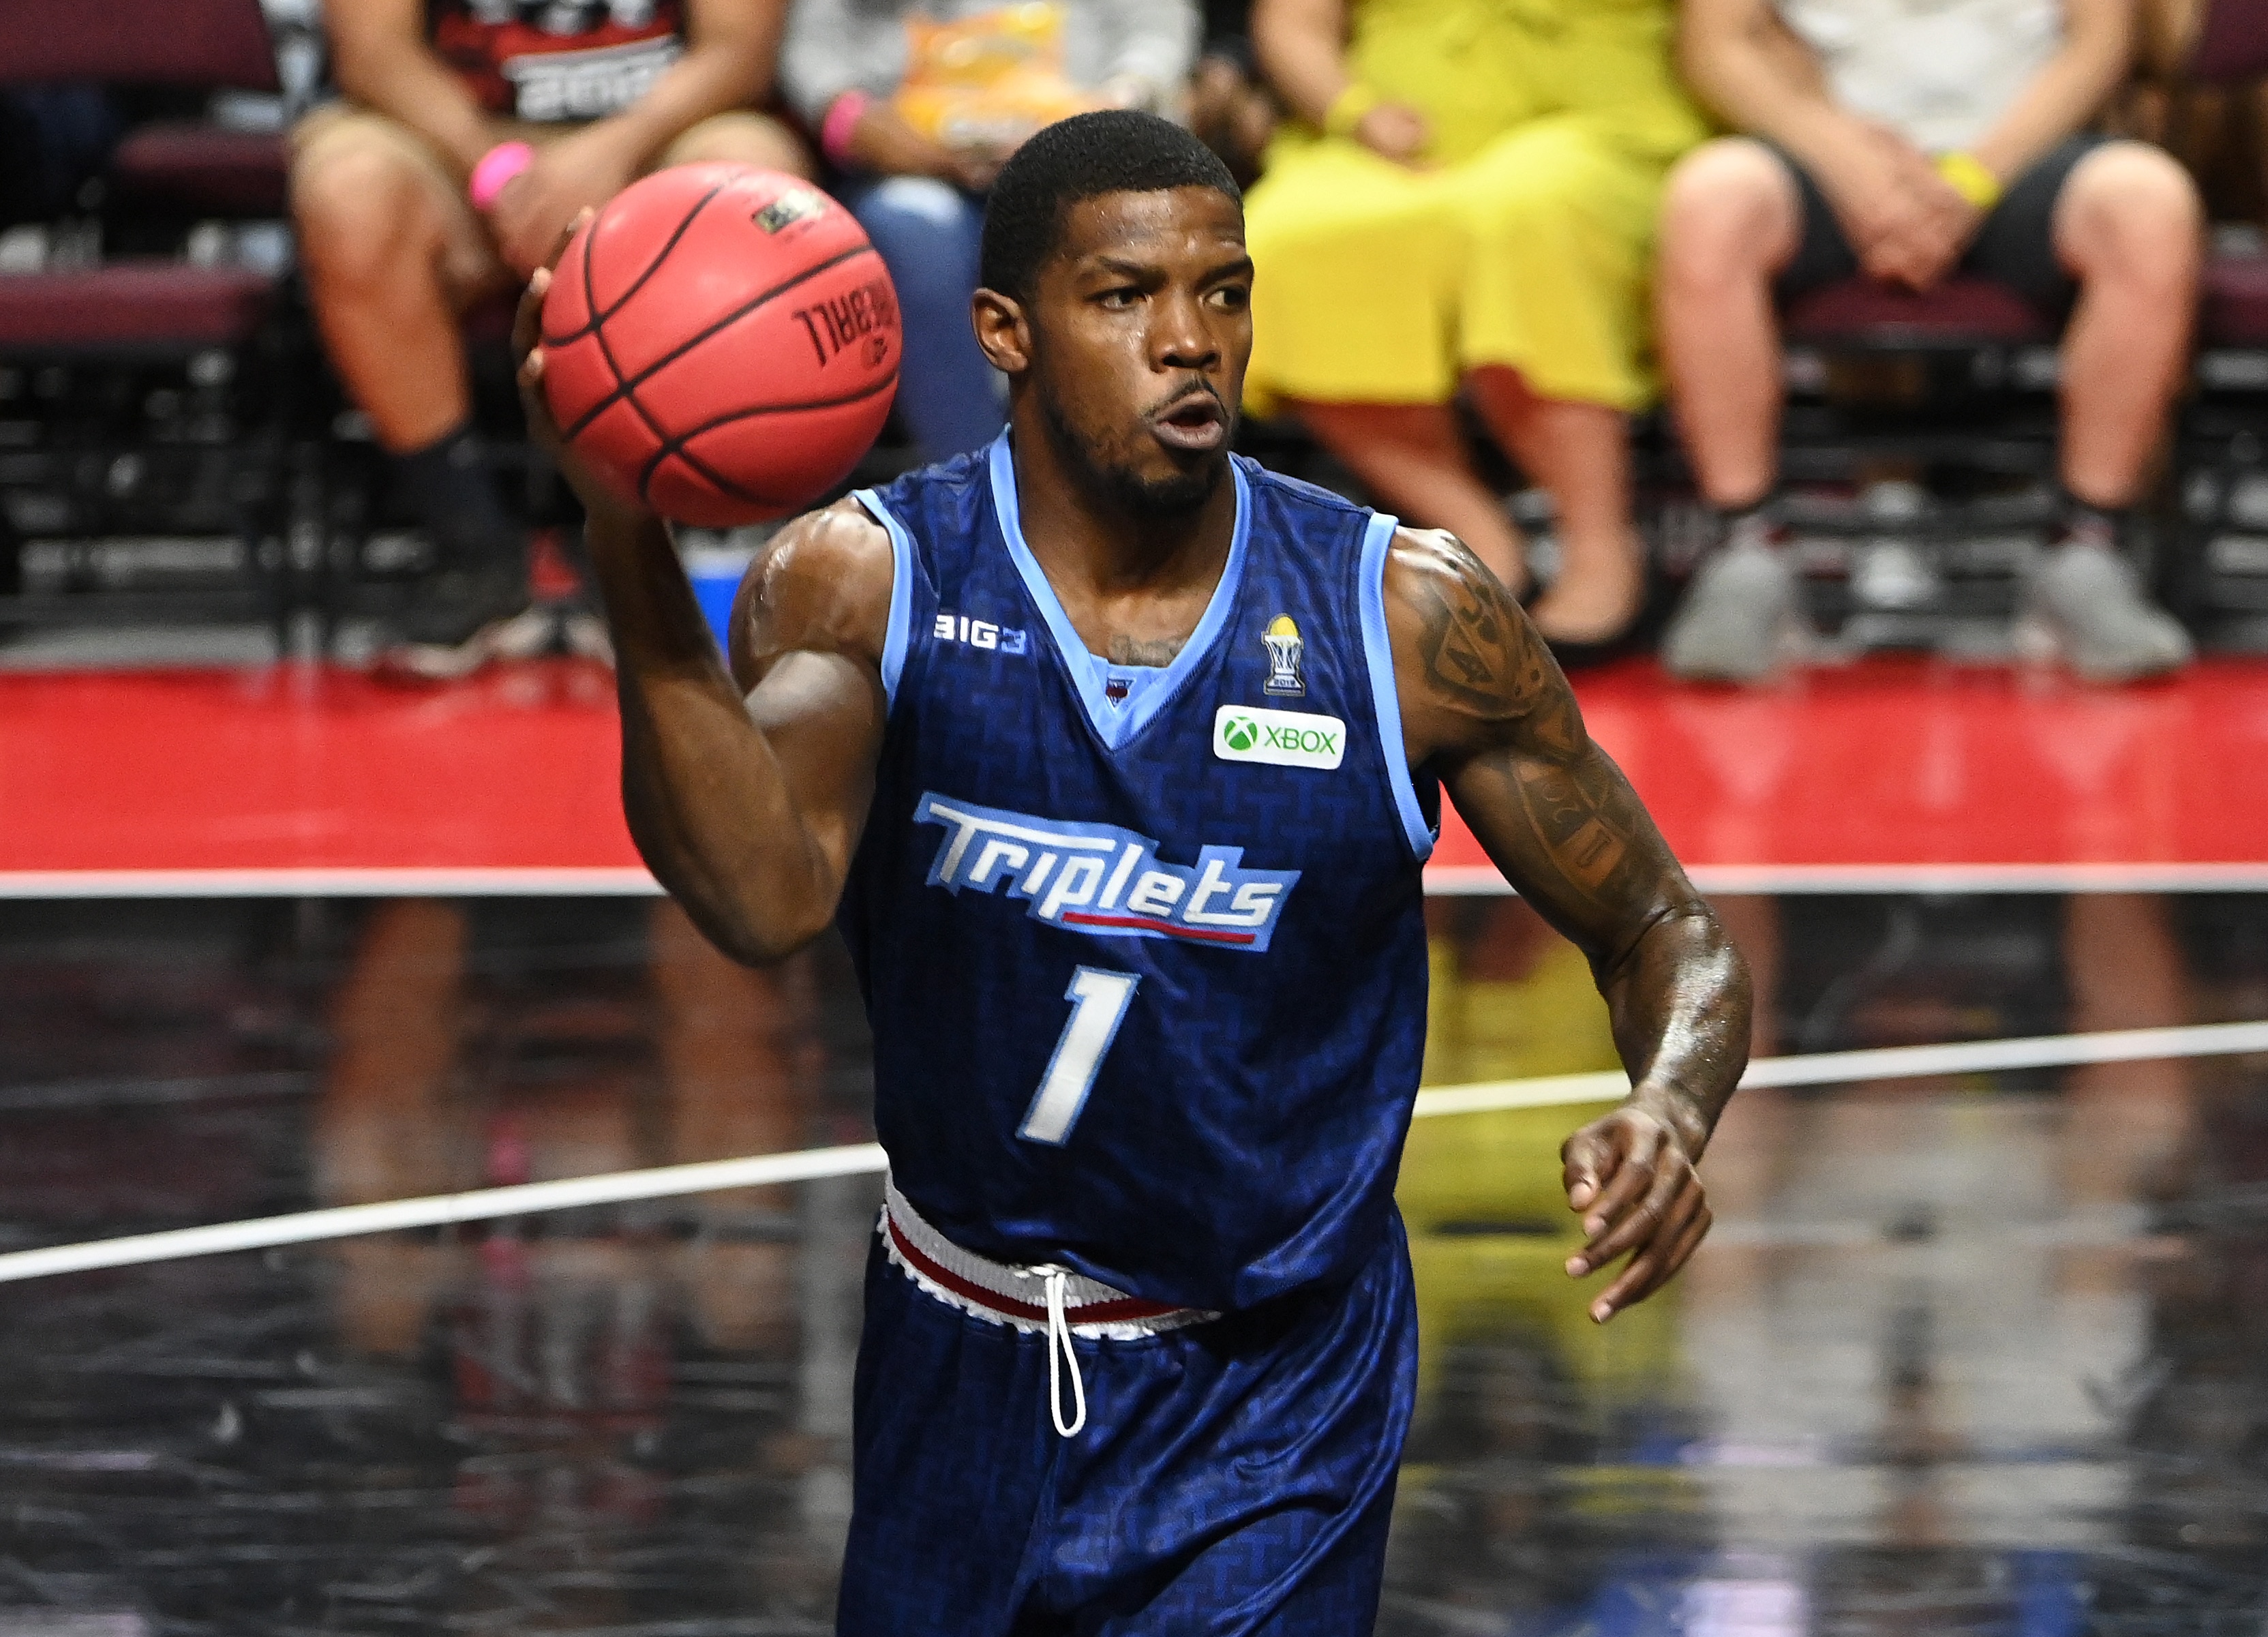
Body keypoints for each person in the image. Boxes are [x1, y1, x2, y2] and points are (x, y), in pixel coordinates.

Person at [515, 110, 1751, 1632]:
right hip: (953, 1360)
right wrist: (625, 536)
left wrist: (1669, 1103)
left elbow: (1660, 925)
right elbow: (761, 895)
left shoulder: (1404, 615)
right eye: (1123, 297)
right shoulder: (867, 579)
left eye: (1221, 293)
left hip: (1274, 1389)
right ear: (1004, 334)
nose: (1190, 342)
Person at [1656, 0, 2203, 682]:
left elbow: (2098, 43)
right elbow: (1717, 45)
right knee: (1709, 200)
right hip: (1829, 153)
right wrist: (1850, 163)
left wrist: (1973, 179)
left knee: (2150, 203)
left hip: (2018, 155)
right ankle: (1746, 552)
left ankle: (2086, 550)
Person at [292, 0, 806, 680]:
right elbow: (374, 51)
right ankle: (470, 547)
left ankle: (668, 546)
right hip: (454, 132)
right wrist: (502, 170)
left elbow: (738, 48)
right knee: (349, 192)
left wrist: (612, 151)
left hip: (654, 132)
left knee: (758, 181)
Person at [1240, 0, 1708, 660]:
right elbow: (1294, 25)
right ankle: (1480, 546)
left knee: (1523, 216)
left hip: (1604, 128)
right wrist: (1356, 111)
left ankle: (1601, 551)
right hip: (1391, 137)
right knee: (1284, 240)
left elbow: (1730, 34)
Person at [780, 0, 1198, 464]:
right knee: (913, 233)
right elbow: (815, 45)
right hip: (913, 170)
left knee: (1110, 233)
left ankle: (1122, 483)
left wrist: (1114, 109)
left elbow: (1157, 34)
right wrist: (851, 120)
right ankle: (984, 494)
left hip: (1094, 153)